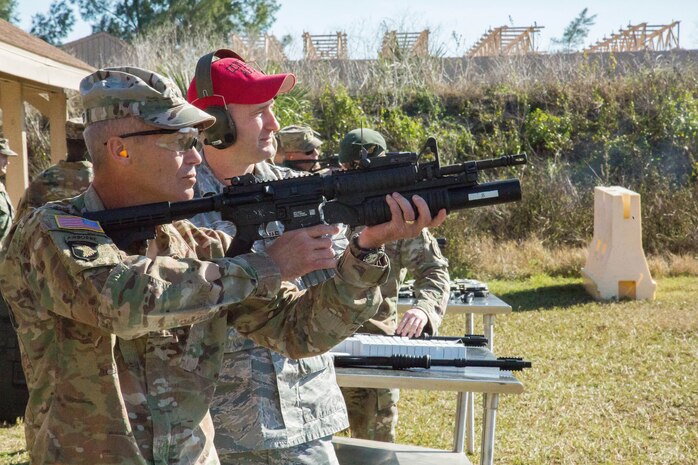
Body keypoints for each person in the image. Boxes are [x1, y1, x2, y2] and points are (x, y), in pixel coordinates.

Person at [0, 66, 444, 464]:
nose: (196, 156)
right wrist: (265, 266)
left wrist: (365, 251)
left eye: (196, 142)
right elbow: (123, 300)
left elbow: (296, 331)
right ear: (118, 149)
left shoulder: (196, 244)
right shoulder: (53, 230)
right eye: (178, 142)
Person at [185, 50, 356, 465]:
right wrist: (272, 265)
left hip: (304, 420)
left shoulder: (298, 190)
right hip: (216, 429)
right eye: (260, 112)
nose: (275, 125)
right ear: (217, 126)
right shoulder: (177, 207)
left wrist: (367, 246)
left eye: (272, 111)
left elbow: (331, 297)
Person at [338, 128, 451, 443]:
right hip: (318, 350)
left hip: (375, 352)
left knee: (373, 452)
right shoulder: (325, 209)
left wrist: (424, 309)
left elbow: (434, 270)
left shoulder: (400, 220)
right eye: (352, 171)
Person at [15, 118, 94, 220]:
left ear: (66, 142)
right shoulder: (100, 180)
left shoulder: (41, 180)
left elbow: (21, 225)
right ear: (90, 143)